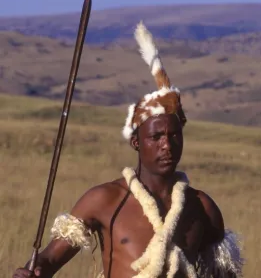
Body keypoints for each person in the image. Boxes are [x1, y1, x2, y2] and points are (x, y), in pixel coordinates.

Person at [13, 22, 244, 278]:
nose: (166, 145)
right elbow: (49, 258)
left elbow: (225, 275)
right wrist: (34, 271)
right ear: (136, 142)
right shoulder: (105, 199)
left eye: (174, 135)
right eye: (155, 137)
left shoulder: (202, 208)